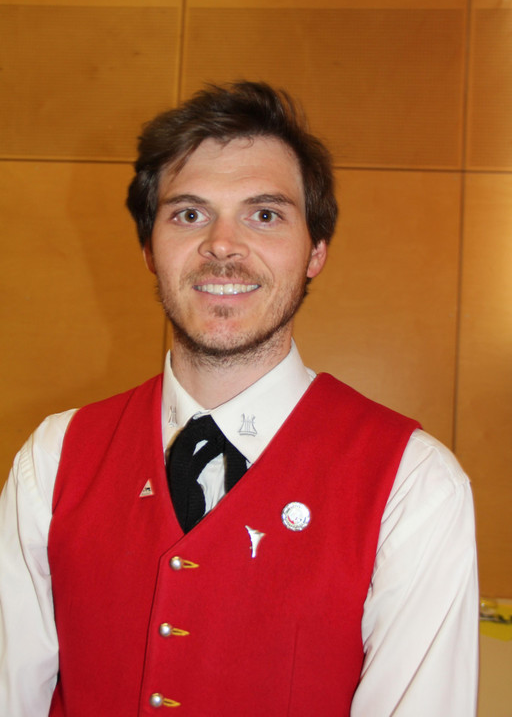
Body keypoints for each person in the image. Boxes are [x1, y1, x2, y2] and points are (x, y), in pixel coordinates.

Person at [0, 81, 478, 716]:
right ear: (149, 249)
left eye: (265, 215)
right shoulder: (52, 457)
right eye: (189, 214)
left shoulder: (416, 484)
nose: (222, 245)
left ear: (316, 252)